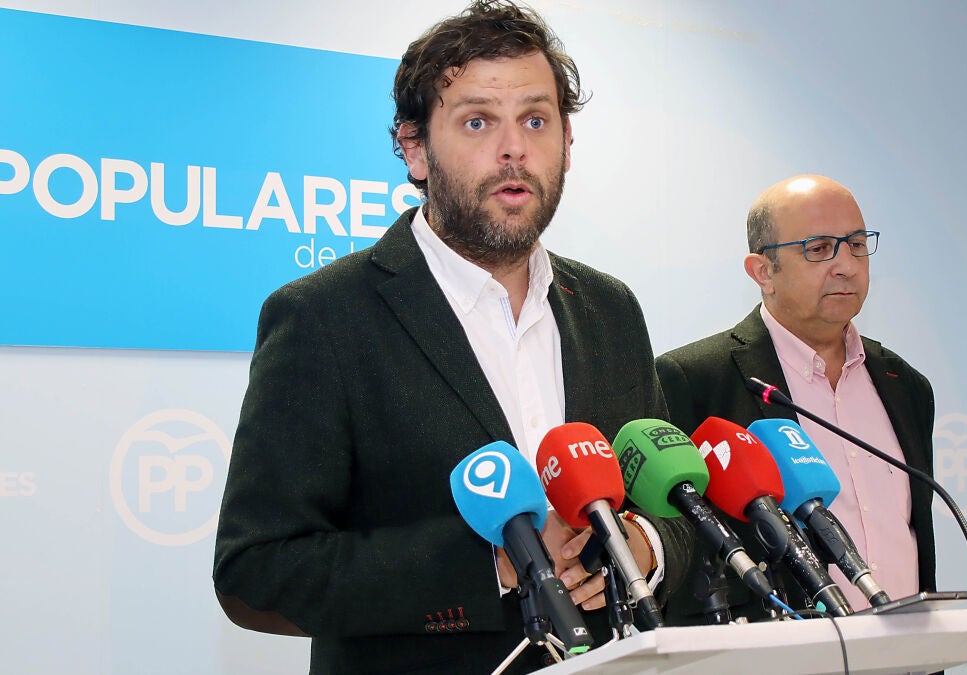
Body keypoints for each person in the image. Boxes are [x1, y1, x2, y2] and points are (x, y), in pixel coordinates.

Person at [212, 2, 690, 672]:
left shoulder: (610, 308)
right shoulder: (323, 317)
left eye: (535, 119)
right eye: (477, 121)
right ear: (414, 148)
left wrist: (644, 545)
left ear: (567, 141)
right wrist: (494, 563)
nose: (514, 148)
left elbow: (672, 510)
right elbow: (256, 571)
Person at [655, 175, 936, 623]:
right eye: (820, 248)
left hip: (909, 646)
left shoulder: (906, 386)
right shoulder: (695, 380)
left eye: (857, 245)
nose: (846, 265)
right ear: (763, 272)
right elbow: (678, 543)